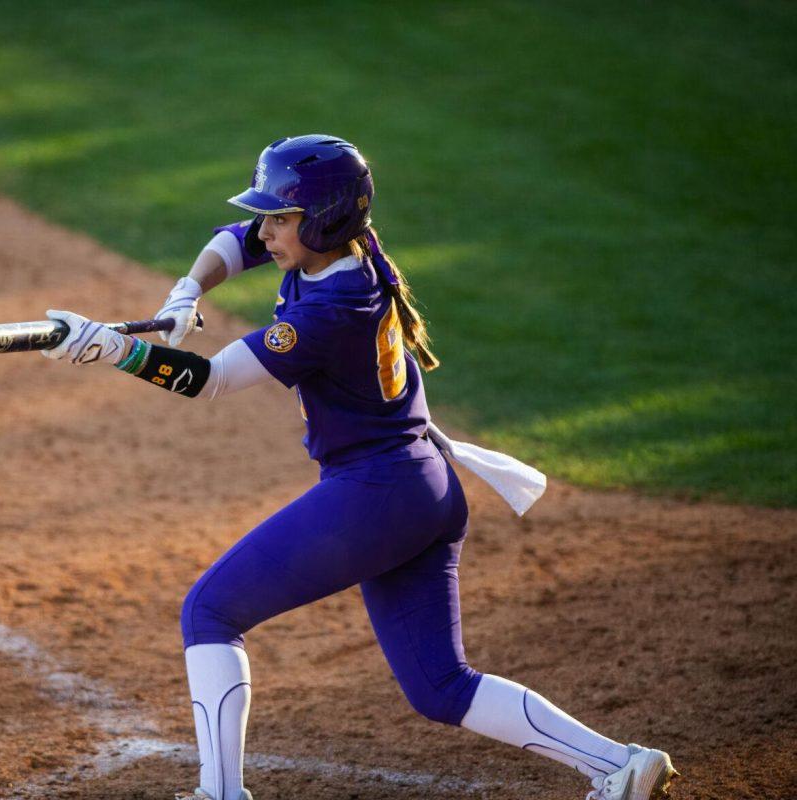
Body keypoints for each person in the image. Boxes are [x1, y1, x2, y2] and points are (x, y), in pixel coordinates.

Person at [41, 135, 677, 800]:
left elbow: (211, 380)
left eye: (278, 219)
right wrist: (186, 288)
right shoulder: (341, 248)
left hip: (377, 493)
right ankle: (620, 764)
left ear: (319, 221)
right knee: (439, 686)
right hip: (423, 488)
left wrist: (109, 349)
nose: (265, 230)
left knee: (210, 612)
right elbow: (237, 239)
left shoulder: (331, 311)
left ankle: (220, 794)